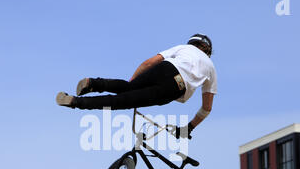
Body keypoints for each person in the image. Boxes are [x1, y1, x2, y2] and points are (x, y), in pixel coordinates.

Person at [56, 34, 217, 138]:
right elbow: (206, 108)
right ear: (208, 51)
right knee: (121, 101)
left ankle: (93, 83)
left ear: (192, 43)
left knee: (127, 90)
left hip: (165, 67)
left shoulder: (184, 48)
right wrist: (189, 128)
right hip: (176, 86)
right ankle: (75, 102)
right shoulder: (210, 67)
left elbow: (149, 63)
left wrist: (131, 84)